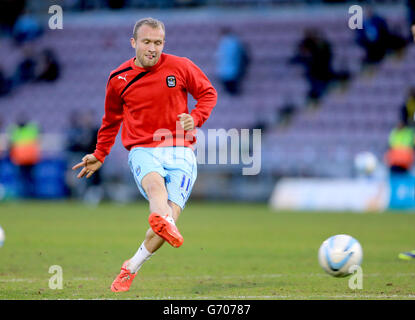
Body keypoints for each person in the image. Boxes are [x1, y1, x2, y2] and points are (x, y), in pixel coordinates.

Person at [72, 17, 217, 292]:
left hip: (181, 150)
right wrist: (100, 153)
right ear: (134, 43)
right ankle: (162, 219)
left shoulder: (181, 66)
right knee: (155, 188)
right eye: (147, 42)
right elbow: (111, 119)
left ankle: (131, 266)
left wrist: (196, 117)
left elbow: (208, 93)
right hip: (143, 148)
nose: (153, 48)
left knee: (165, 224)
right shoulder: (118, 78)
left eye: (158, 43)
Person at [215, 27, 250, 95]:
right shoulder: (235, 42)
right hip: (232, 70)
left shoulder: (227, 43)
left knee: (231, 88)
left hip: (229, 70)